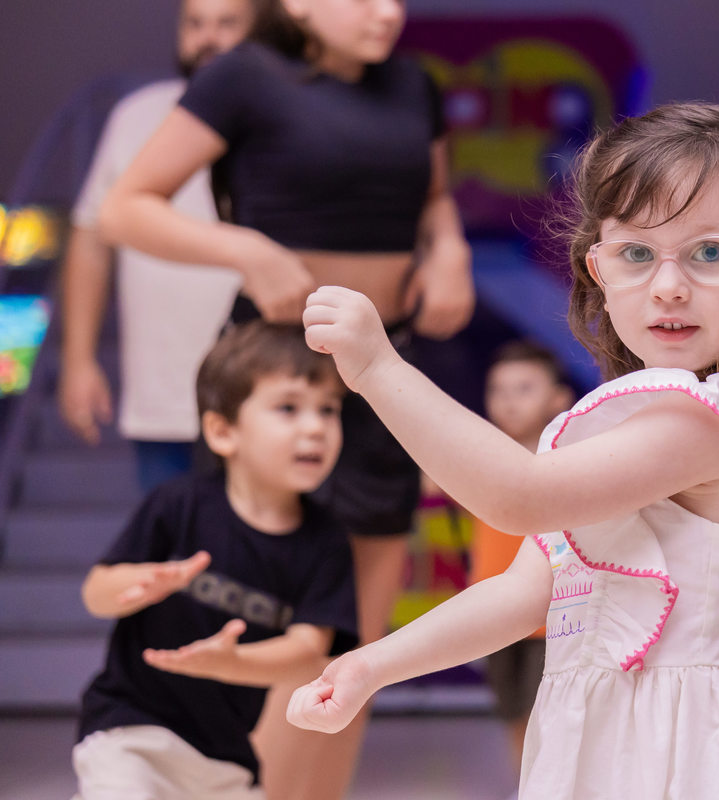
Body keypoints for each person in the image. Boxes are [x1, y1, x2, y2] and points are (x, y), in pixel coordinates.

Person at [288, 102, 719, 798]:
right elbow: (522, 592)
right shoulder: (627, 426)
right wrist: (372, 665)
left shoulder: (712, 424)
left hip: (694, 760)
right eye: (636, 254)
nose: (669, 285)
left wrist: (379, 371)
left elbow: (518, 498)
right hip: (610, 747)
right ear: (597, 268)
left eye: (711, 252)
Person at [97, 0, 473, 794]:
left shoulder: (413, 85)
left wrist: (450, 252)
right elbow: (125, 208)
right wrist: (244, 248)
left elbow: (434, 199)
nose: (388, 12)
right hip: (273, 368)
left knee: (352, 647)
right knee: (259, 611)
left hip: (381, 374)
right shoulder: (243, 77)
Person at [72, 320, 358, 800]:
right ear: (223, 432)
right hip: (130, 729)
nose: (316, 427)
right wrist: (139, 583)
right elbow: (96, 591)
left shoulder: (325, 542)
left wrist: (232, 662)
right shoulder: (177, 504)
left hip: (226, 756)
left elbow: (309, 651)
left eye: (328, 410)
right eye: (289, 408)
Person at [57, 0, 252, 492]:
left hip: (265, 389)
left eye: (228, 23)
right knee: (169, 560)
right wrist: (78, 360)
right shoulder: (136, 114)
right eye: (195, 23)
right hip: (162, 393)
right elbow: (92, 238)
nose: (208, 37)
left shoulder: (289, 115)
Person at [470, 340, 572, 781]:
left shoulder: (569, 461)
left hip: (552, 618)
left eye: (524, 388)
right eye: (500, 389)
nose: (509, 401)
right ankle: (526, 785)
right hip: (493, 614)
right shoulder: (477, 460)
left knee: (549, 716)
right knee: (513, 712)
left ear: (558, 399)